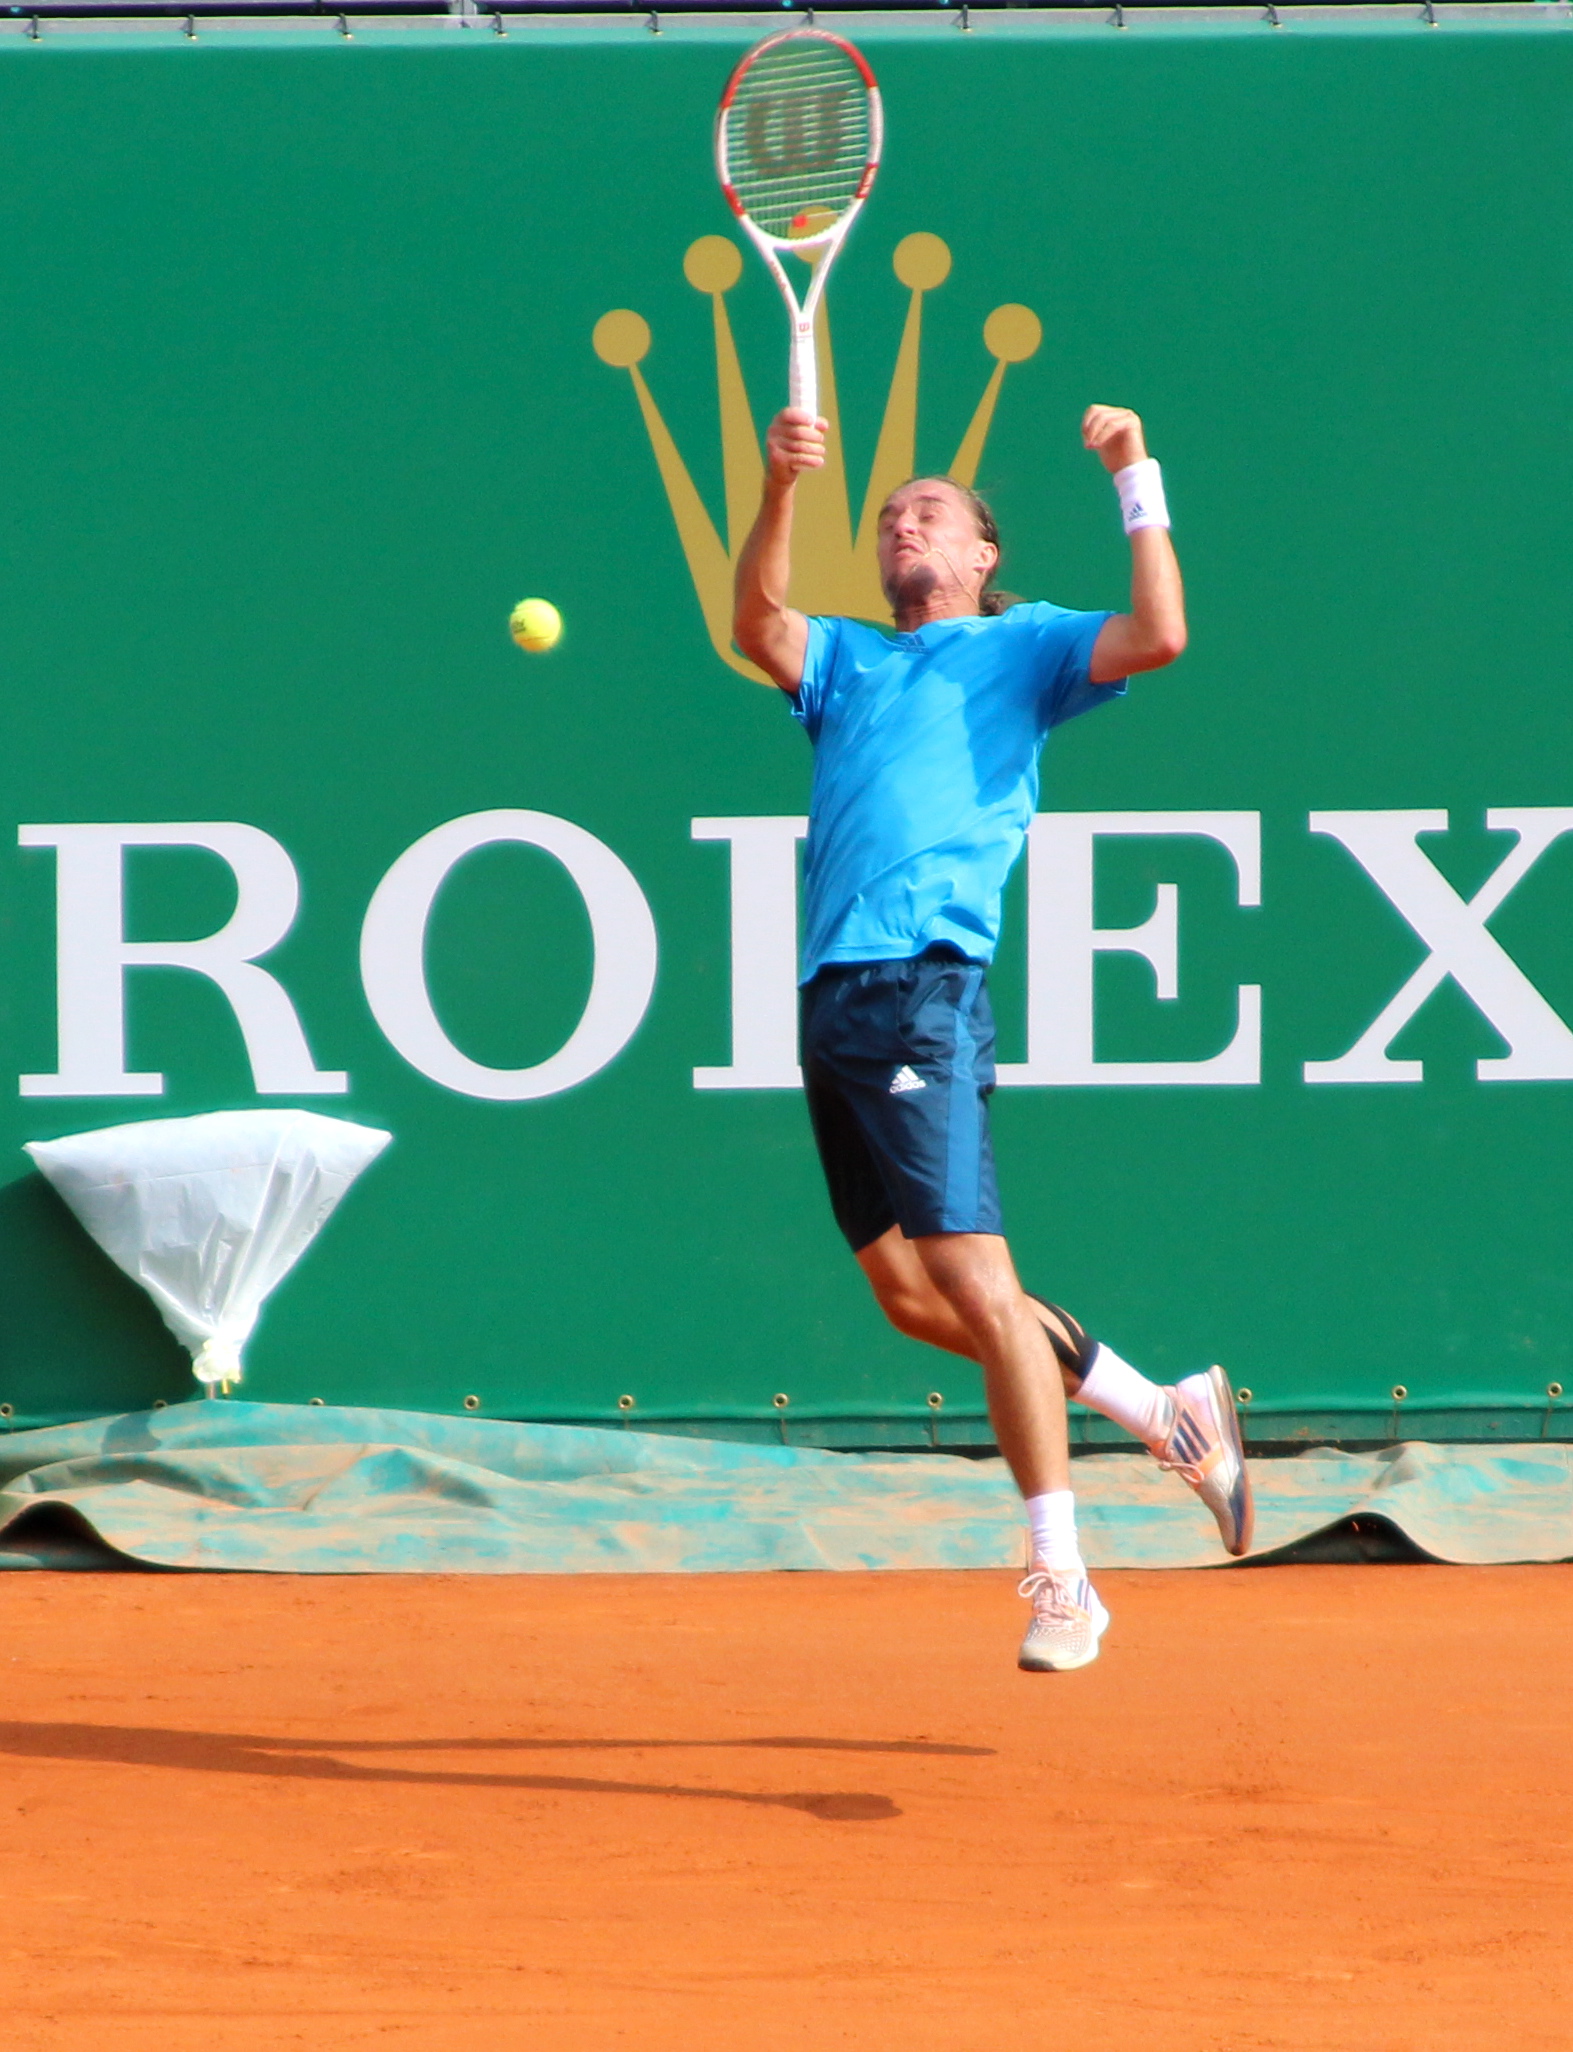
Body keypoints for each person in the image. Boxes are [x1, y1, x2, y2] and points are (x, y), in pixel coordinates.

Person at [731, 400, 1253, 1674]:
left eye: (931, 513)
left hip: (925, 990)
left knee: (977, 1283)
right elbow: (756, 624)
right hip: (830, 1003)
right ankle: (1160, 1409)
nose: (903, 524)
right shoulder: (846, 662)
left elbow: (1162, 633)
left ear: (981, 555)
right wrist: (781, 489)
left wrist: (1134, 472)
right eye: (889, 517)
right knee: (911, 1297)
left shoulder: (1026, 646)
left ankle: (1063, 1578)